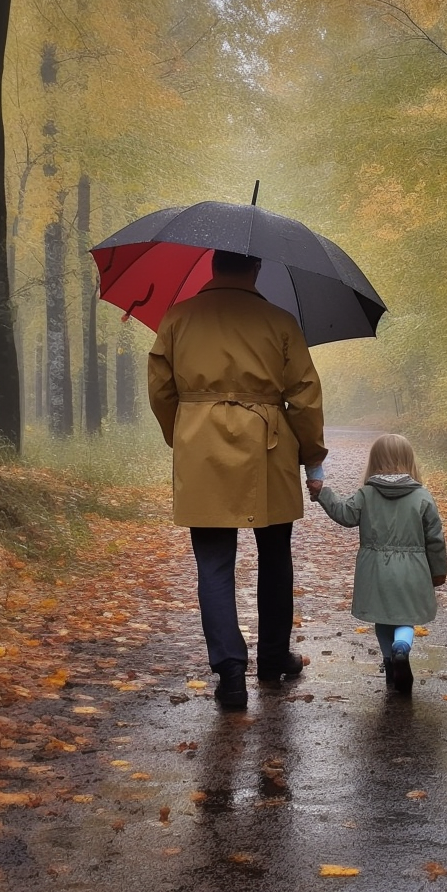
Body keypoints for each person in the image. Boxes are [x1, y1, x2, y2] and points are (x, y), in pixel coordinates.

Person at [148, 249, 327, 709]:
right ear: (257, 268)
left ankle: (230, 674)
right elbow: (305, 398)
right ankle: (271, 659)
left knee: (213, 563)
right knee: (274, 554)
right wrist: (311, 457)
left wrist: (184, 433)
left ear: (212, 266)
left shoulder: (178, 318)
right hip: (268, 446)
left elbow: (161, 388)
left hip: (201, 445)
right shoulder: (281, 321)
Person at [308, 433, 447, 694]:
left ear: (374, 461)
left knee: (383, 619)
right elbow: (435, 538)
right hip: (412, 570)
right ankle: (401, 649)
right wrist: (438, 571)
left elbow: (345, 514)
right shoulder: (422, 497)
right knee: (405, 617)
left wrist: (323, 493)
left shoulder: (367, 493)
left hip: (375, 571)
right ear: (409, 460)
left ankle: (389, 662)